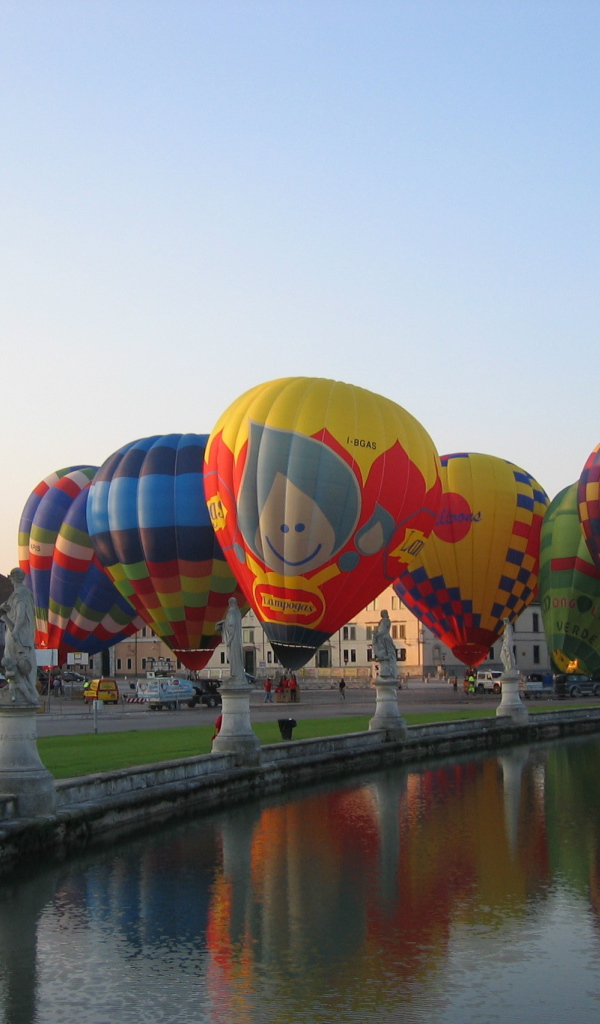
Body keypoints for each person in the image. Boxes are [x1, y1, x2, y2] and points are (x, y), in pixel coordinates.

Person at [0, 567, 39, 705]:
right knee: (13, 660)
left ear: (12, 578)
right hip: (18, 633)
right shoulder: (22, 593)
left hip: (17, 634)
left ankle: (27, 691)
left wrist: (16, 631)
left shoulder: (20, 594)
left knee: (18, 661)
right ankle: (19, 688)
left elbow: (21, 614)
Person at [217, 597, 245, 682]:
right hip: (237, 638)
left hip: (233, 638)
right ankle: (238, 674)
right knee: (236, 656)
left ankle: (235, 674)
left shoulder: (231, 612)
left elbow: (231, 625)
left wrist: (223, 625)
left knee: (233, 655)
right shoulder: (238, 612)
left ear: (230, 603)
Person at [371, 610, 398, 681]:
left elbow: (383, 631)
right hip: (382, 638)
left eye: (382, 613)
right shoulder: (383, 621)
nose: (381, 614)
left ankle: (390, 670)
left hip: (385, 638)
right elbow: (381, 631)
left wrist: (376, 635)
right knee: (384, 651)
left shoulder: (386, 621)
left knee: (389, 651)